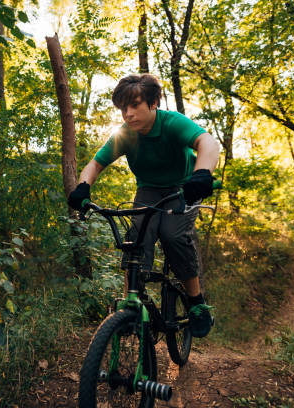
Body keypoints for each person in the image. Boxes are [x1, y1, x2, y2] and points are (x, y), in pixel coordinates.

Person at [67, 73, 220, 338]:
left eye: (135, 105)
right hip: (148, 190)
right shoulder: (125, 135)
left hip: (184, 187)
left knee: (173, 235)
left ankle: (196, 303)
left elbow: (207, 142)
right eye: (123, 108)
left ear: (153, 103)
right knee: (136, 236)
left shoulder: (172, 123)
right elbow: (95, 164)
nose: (128, 113)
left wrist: (202, 173)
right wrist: (83, 187)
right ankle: (131, 306)